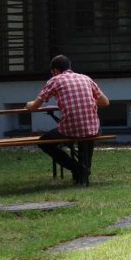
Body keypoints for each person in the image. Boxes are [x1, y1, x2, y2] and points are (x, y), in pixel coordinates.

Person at [26, 55, 109, 186]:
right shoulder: (85, 78)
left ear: (55, 71)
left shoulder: (54, 81)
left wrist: (29, 104)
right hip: (92, 127)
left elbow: (35, 106)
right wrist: (86, 102)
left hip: (70, 128)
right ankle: (84, 171)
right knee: (88, 131)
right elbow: (105, 102)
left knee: (44, 143)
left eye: (52, 73)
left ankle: (77, 168)